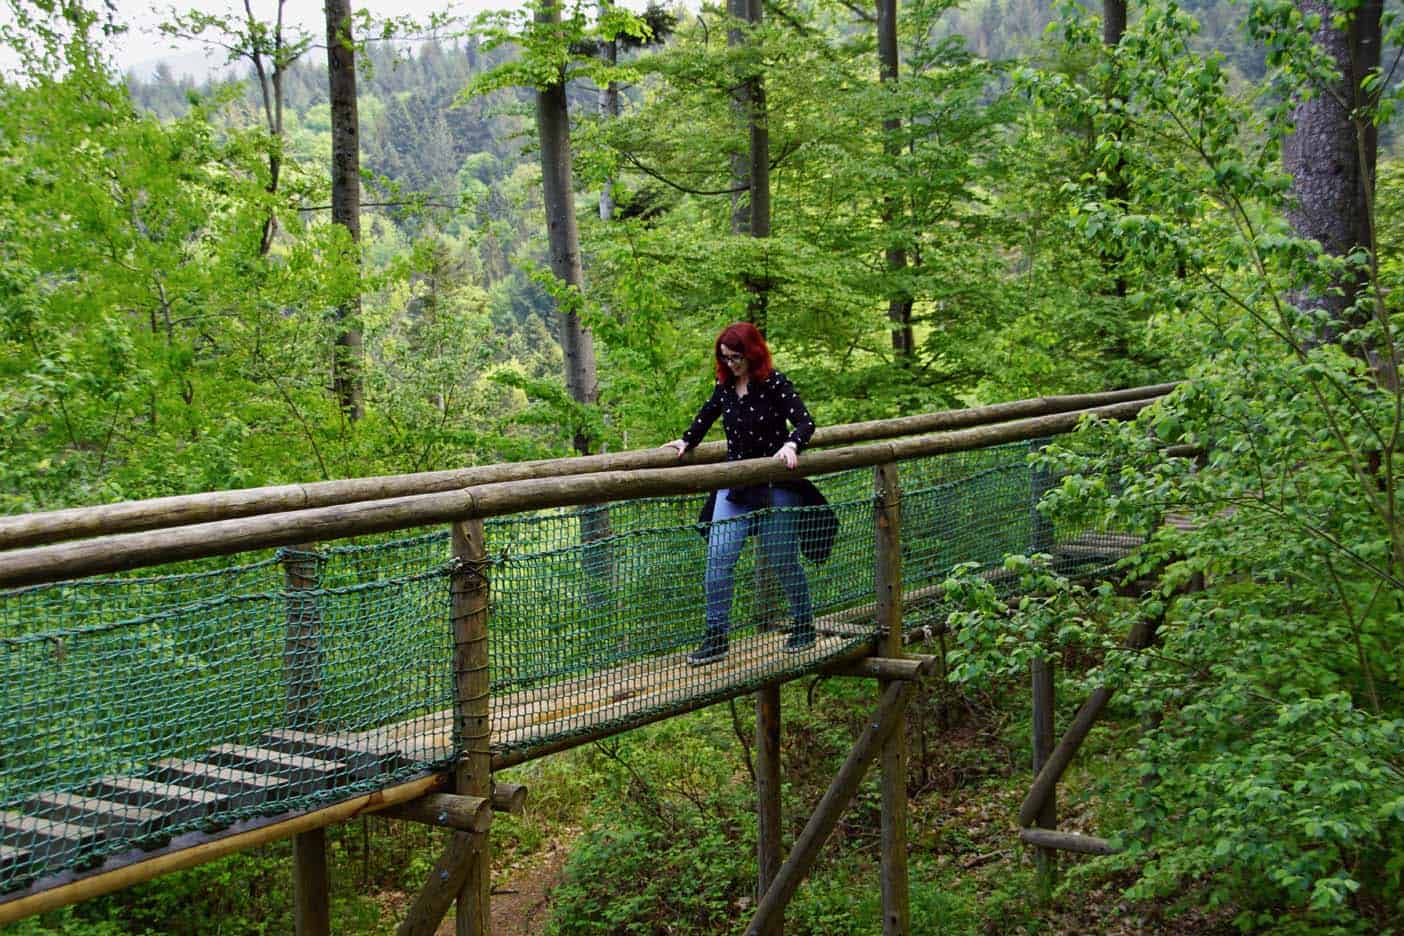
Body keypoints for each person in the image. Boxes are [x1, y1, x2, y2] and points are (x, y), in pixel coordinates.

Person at [664, 322, 818, 665]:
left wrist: (792, 445)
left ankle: (804, 623)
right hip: (735, 485)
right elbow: (705, 417)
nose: (732, 364)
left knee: (781, 558)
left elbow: (806, 423)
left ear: (752, 353)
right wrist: (686, 441)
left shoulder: (774, 382)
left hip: (776, 482)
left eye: (737, 357)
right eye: (726, 358)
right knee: (718, 558)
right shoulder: (725, 387)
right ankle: (716, 637)